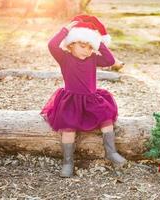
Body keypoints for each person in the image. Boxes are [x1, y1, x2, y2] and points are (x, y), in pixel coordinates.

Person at [40, 15, 126, 178]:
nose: (86, 50)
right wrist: (65, 30)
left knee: (106, 120)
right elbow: (51, 45)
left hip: (91, 99)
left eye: (89, 47)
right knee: (68, 129)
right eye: (82, 45)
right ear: (71, 44)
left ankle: (111, 151)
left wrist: (97, 40)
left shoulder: (93, 58)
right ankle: (68, 162)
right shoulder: (64, 58)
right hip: (71, 101)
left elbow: (109, 59)